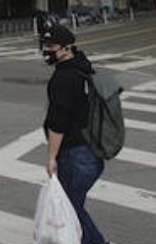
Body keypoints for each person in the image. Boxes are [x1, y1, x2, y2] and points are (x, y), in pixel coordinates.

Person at [41, 25, 108, 244]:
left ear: (67, 48)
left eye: (51, 46)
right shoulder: (83, 69)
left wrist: (51, 157)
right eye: (44, 45)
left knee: (70, 208)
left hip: (76, 155)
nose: (46, 50)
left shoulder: (64, 78)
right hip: (91, 151)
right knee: (72, 206)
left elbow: (58, 123)